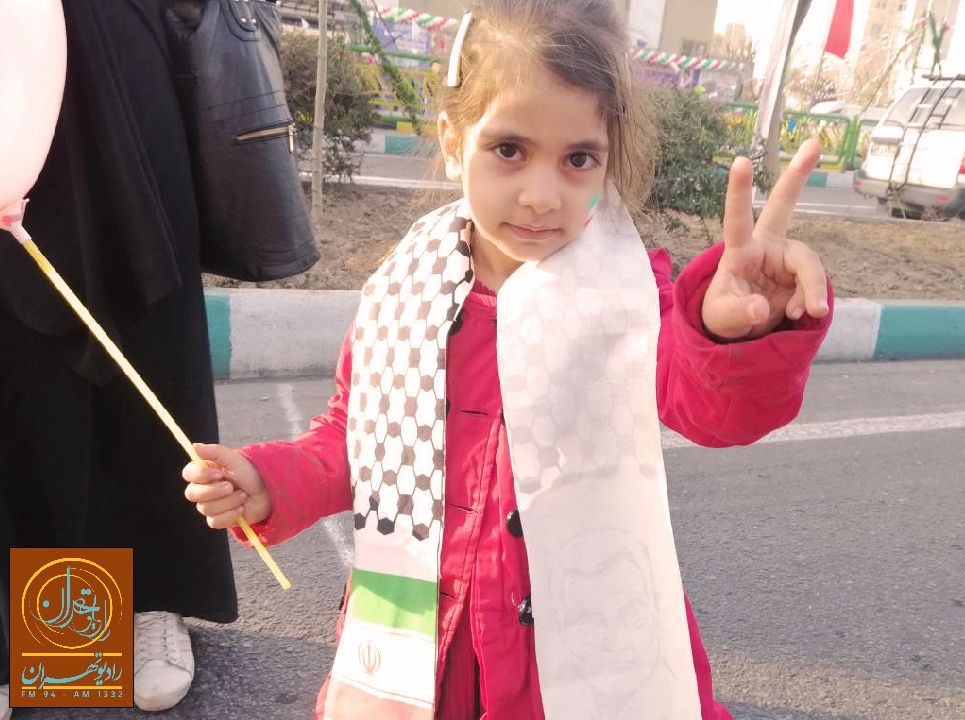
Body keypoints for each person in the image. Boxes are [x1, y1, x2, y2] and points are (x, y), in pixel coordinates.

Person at [181, 1, 833, 718]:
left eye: (578, 159)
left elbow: (711, 409)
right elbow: (355, 441)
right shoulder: (407, 289)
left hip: (570, 656)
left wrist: (727, 333)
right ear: (453, 139)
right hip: (425, 648)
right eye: (510, 150)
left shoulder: (625, 296)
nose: (540, 196)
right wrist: (268, 480)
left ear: (608, 161)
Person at [0, 1, 238, 715]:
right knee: (16, 345)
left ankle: (147, 596)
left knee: (146, 315)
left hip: (118, 42)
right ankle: (45, 631)